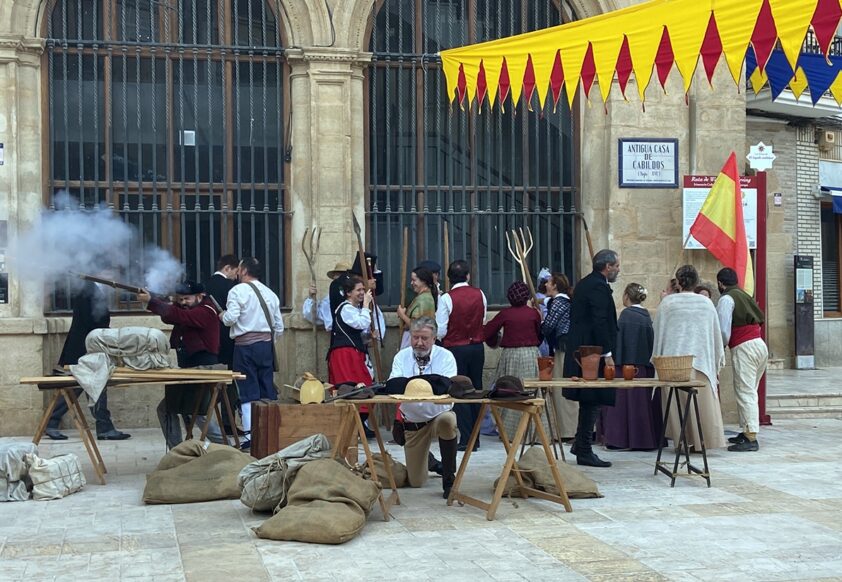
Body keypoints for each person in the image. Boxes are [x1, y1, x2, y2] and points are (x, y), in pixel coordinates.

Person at [45, 277, 130, 441]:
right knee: (84, 386)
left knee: (89, 386)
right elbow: (92, 320)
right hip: (84, 347)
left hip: (88, 346)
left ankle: (103, 426)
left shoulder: (91, 288)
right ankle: (53, 422)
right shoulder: (88, 288)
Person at [653, 264, 726, 451]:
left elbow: (658, 331)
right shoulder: (706, 304)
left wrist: (658, 355)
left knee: (677, 405)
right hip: (700, 361)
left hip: (673, 362)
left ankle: (682, 441)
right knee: (702, 406)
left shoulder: (668, 303)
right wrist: (716, 357)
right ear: (696, 282)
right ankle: (702, 442)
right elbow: (714, 334)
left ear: (678, 282)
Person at [139, 281, 221, 450]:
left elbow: (178, 315)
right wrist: (154, 298)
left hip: (203, 370)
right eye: (180, 299)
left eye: (187, 299)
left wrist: (152, 301)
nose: (183, 302)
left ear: (200, 296)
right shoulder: (187, 309)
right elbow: (169, 316)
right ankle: (177, 450)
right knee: (169, 409)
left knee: (198, 413)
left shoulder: (206, 311)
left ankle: (226, 448)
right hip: (189, 370)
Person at [562, 249, 620, 468]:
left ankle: (580, 443)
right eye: (616, 265)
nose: (618, 269)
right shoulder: (596, 286)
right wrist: (607, 353)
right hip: (591, 353)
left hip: (586, 349)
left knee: (590, 399)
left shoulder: (589, 283)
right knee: (592, 398)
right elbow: (599, 321)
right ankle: (584, 449)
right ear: (607, 267)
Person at [389, 317, 458, 499]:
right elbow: (394, 386)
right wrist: (433, 381)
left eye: (424, 338)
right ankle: (435, 463)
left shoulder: (446, 357)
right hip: (413, 423)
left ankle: (449, 481)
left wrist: (411, 383)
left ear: (434, 338)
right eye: (415, 337)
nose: (419, 343)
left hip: (438, 416)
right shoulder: (401, 357)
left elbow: (447, 386)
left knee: (449, 421)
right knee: (416, 482)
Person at [221, 257, 284, 448]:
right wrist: (266, 341)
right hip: (265, 346)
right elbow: (279, 326)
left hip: (244, 347)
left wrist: (222, 316)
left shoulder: (237, 291)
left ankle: (250, 437)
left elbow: (231, 318)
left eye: (239, 269)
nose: (238, 272)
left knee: (247, 391)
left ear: (244, 270)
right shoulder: (271, 293)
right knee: (267, 389)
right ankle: (271, 435)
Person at [599, 282, 661, 450]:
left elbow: (618, 340)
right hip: (644, 369)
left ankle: (619, 439)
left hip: (625, 368)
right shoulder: (647, 317)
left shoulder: (626, 315)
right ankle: (644, 440)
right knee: (641, 405)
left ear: (626, 296)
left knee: (622, 405)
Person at [436, 260, 487, 452]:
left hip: (455, 348)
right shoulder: (479, 294)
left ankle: (466, 438)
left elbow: (440, 330)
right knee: (476, 389)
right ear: (467, 276)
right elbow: (482, 319)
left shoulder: (446, 298)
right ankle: (476, 436)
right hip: (476, 347)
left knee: (459, 390)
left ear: (449, 278)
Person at [716, 267, 769, 452]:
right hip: (759, 344)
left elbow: (723, 329)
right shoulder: (744, 295)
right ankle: (746, 430)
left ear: (720, 283)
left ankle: (751, 437)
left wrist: (720, 347)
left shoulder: (726, 298)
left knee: (744, 391)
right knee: (749, 390)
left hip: (744, 347)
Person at [483, 281, 542, 441]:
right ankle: (534, 433)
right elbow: (540, 334)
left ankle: (511, 432)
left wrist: (495, 340)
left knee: (510, 391)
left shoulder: (505, 314)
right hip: (531, 354)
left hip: (511, 356)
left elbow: (487, 331)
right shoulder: (534, 313)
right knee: (532, 392)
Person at [205, 254, 239, 435]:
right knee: (230, 384)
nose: (236, 276)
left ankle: (220, 422)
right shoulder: (230, 286)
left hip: (211, 341)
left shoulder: (206, 284)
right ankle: (227, 422)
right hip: (229, 341)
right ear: (227, 268)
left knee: (217, 383)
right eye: (235, 272)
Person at [540, 272, 577, 439]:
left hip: (564, 348)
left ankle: (567, 430)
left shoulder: (560, 302)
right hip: (566, 347)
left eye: (548, 282)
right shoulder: (561, 301)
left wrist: (539, 322)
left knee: (561, 388)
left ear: (555, 285)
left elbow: (548, 326)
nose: (546, 285)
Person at [396, 266, 438, 349]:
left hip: (417, 340)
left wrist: (402, 315)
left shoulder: (424, 300)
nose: (412, 283)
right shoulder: (422, 297)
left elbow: (417, 325)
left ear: (423, 281)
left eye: (414, 280)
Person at [303, 261, 351, 331]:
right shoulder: (329, 300)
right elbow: (313, 316)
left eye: (339, 276)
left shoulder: (356, 298)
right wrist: (311, 298)